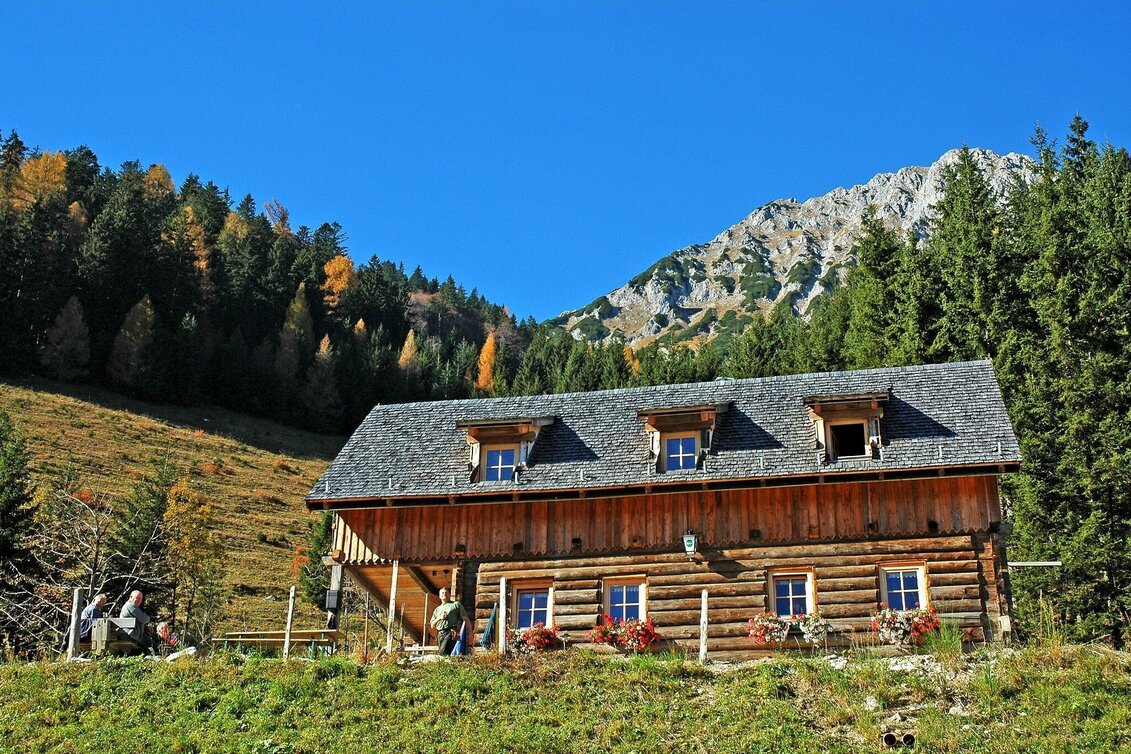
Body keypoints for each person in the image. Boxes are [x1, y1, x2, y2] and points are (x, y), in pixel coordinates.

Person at [429, 588, 471, 656]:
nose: (444, 594)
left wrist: (470, 634)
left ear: (449, 595)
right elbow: (432, 625)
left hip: (451, 632)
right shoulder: (437, 609)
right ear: (439, 596)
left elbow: (466, 619)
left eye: (446, 592)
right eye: (442, 593)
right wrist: (440, 618)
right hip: (440, 634)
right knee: (444, 654)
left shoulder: (455, 604)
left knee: (443, 653)